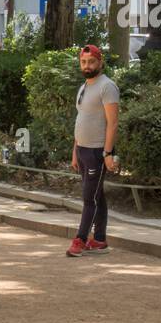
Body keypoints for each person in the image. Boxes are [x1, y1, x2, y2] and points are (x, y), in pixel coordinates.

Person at [67, 44, 120, 257]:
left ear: (100, 62)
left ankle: (80, 239)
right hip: (82, 150)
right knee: (97, 196)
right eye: (83, 62)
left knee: (90, 198)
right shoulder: (84, 86)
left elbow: (113, 123)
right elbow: (81, 119)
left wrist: (107, 154)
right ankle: (99, 240)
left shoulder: (107, 87)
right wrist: (75, 150)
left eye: (91, 62)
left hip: (98, 151)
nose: (87, 66)